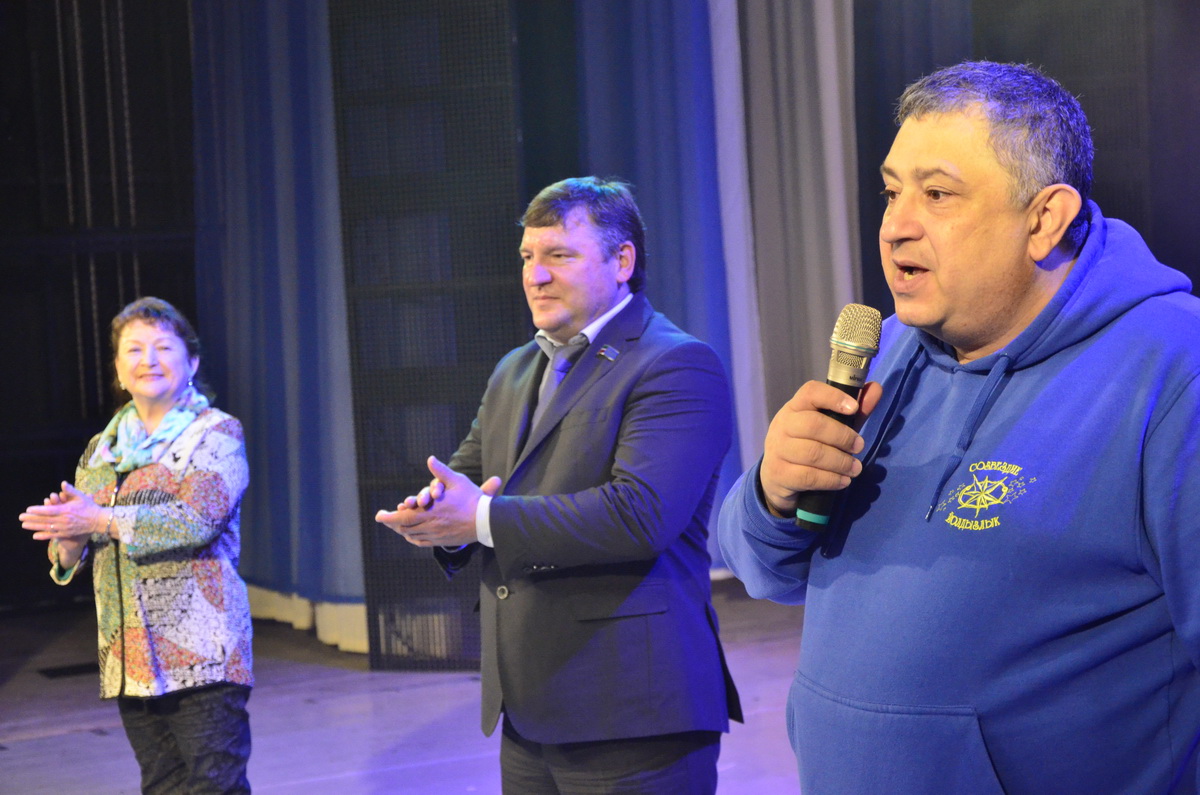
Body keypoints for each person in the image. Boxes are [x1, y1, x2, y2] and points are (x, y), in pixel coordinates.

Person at [718, 61, 1200, 793]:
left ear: (1044, 219)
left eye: (937, 194)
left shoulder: (1173, 369)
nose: (895, 226)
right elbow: (764, 571)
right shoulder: (885, 349)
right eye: (892, 191)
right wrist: (772, 495)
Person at [376, 176, 742, 793]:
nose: (535, 276)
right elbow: (470, 481)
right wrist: (437, 517)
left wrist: (480, 520)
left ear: (621, 261)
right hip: (528, 708)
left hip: (633, 712)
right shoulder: (514, 369)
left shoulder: (676, 363)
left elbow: (639, 515)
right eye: (527, 257)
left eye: (559, 255)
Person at [20, 297, 253, 794]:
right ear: (118, 370)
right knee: (162, 785)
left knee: (214, 785)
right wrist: (69, 542)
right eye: (134, 349)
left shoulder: (216, 433)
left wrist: (98, 518)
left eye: (163, 347)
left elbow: (194, 521)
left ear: (192, 362)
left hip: (203, 654)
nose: (149, 359)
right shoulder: (101, 450)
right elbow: (80, 547)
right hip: (130, 656)